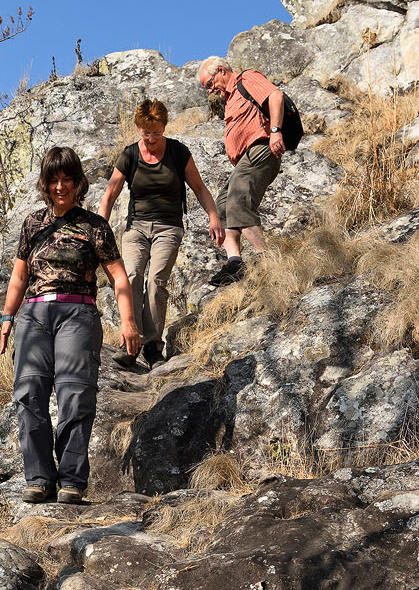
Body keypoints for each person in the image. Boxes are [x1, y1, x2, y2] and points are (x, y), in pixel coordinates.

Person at [0, 145, 140, 505]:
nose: (60, 186)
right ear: (44, 184)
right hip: (33, 314)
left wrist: (128, 323)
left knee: (75, 395)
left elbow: (119, 279)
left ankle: (72, 481)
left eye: (67, 179)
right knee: (29, 393)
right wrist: (6, 317)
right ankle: (39, 478)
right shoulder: (32, 224)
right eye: (53, 180)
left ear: (79, 184)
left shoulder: (95, 227)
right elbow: (19, 277)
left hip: (78, 314)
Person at [98, 98, 224, 368]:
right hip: (136, 227)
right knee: (130, 276)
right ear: (139, 129)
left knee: (156, 281)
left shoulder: (178, 152)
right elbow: (109, 194)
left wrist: (214, 216)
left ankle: (153, 347)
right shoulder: (130, 155)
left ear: (164, 127)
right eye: (147, 133)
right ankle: (131, 343)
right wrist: (98, 229)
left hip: (169, 227)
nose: (152, 138)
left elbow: (200, 188)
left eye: (157, 132)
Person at [198, 56, 286, 280]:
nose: (210, 91)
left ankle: (265, 259)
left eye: (209, 84)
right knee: (223, 206)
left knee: (238, 201)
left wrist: (275, 131)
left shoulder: (247, 79)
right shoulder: (230, 98)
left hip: (261, 146)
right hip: (246, 158)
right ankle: (235, 262)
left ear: (220, 71)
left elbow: (275, 95)